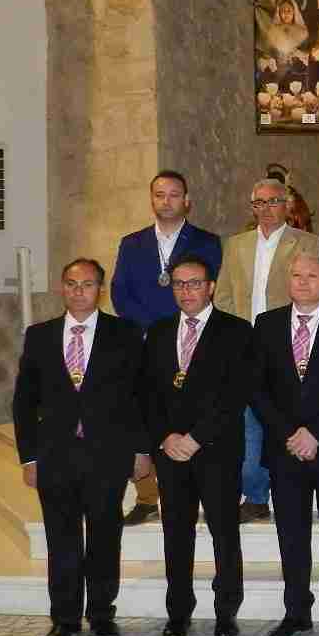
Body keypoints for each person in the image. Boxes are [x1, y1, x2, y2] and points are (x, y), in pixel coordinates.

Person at [13, 259, 146, 636]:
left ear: (99, 289)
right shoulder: (40, 335)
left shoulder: (124, 333)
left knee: (105, 535)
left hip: (107, 454)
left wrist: (140, 449)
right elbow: (24, 402)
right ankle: (64, 619)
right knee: (62, 539)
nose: (78, 291)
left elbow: (138, 397)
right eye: (71, 283)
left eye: (87, 284)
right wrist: (29, 457)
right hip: (55, 456)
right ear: (61, 287)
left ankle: (102, 615)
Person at [142, 253, 251, 636]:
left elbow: (235, 395)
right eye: (179, 284)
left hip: (217, 448)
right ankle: (178, 613)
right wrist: (165, 437)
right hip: (170, 452)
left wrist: (196, 437)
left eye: (194, 283)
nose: (186, 291)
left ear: (211, 287)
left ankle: (226, 613)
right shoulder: (156, 332)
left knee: (224, 532)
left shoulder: (236, 331)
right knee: (176, 533)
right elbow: (148, 395)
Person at [250, 253, 319, 636]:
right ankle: (296, 612)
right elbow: (256, 389)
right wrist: (289, 433)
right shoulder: (266, 324)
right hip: (285, 450)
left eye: (312, 276)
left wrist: (317, 433)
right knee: (291, 536)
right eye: (296, 275)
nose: (303, 282)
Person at [112, 170, 222, 526]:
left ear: (186, 200)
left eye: (174, 195)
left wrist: (175, 326)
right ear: (152, 199)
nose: (167, 201)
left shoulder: (207, 242)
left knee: (189, 410)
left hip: (190, 337)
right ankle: (146, 495)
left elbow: (206, 289)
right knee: (146, 411)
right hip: (146, 341)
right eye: (160, 195)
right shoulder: (132, 243)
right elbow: (119, 292)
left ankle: (198, 488)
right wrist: (150, 330)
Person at [213, 178, 319, 524]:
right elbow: (225, 296)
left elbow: (315, 288)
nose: (266, 209)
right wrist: (233, 337)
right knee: (247, 422)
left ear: (287, 205)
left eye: (273, 201)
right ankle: (256, 495)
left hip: (287, 342)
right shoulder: (235, 244)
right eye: (258, 203)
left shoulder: (307, 242)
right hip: (244, 344)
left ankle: (290, 490)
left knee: (282, 418)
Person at [256, 0, 310, 93]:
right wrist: (269, 60)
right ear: (279, 13)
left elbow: (306, 54)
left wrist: (299, 54)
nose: (286, 14)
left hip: (296, 74)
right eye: (282, 11)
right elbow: (266, 53)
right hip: (276, 74)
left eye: (289, 11)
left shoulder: (302, 32)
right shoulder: (273, 31)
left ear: (294, 12)